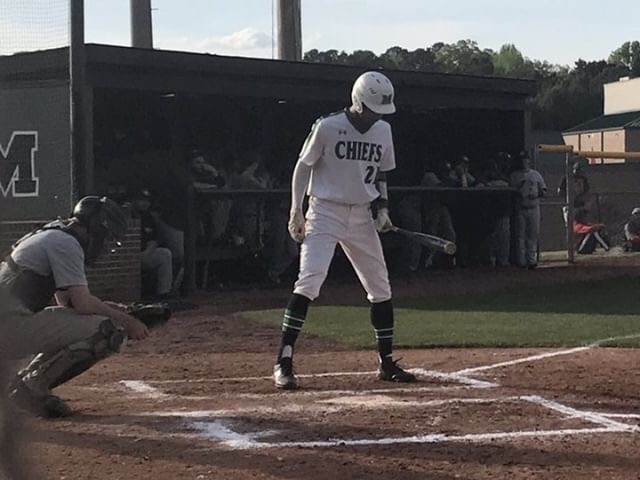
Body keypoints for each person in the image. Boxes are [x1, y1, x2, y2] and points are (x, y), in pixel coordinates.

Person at [273, 71, 416, 390]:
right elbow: (303, 166)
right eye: (372, 109)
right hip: (324, 210)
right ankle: (283, 361)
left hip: (361, 215)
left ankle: (386, 362)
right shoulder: (328, 126)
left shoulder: (383, 130)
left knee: (380, 287)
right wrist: (296, 208)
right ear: (357, 101)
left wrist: (382, 208)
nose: (376, 116)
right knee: (309, 281)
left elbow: (380, 175)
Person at [0, 196, 149, 418]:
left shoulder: (55, 233)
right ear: (98, 228)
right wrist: (127, 320)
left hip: (10, 322)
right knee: (109, 331)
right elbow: (82, 303)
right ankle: (30, 387)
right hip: (9, 327)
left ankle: (27, 383)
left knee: (97, 322)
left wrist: (119, 310)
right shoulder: (66, 243)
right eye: (107, 237)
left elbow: (68, 304)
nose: (107, 246)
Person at [131, 188, 176, 299]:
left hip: (144, 255)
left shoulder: (149, 217)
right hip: (128, 257)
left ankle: (163, 294)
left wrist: (148, 250)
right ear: (134, 200)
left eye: (147, 200)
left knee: (165, 254)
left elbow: (156, 238)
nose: (145, 203)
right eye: (142, 200)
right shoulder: (126, 214)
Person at [509, 151, 547, 269]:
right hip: (521, 207)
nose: (524, 162)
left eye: (525, 159)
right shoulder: (515, 175)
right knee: (520, 236)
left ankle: (531, 260)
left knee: (533, 235)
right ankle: (521, 261)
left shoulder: (535, 174)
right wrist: (519, 191)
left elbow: (544, 190)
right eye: (522, 160)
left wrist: (537, 194)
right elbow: (511, 192)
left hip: (534, 207)